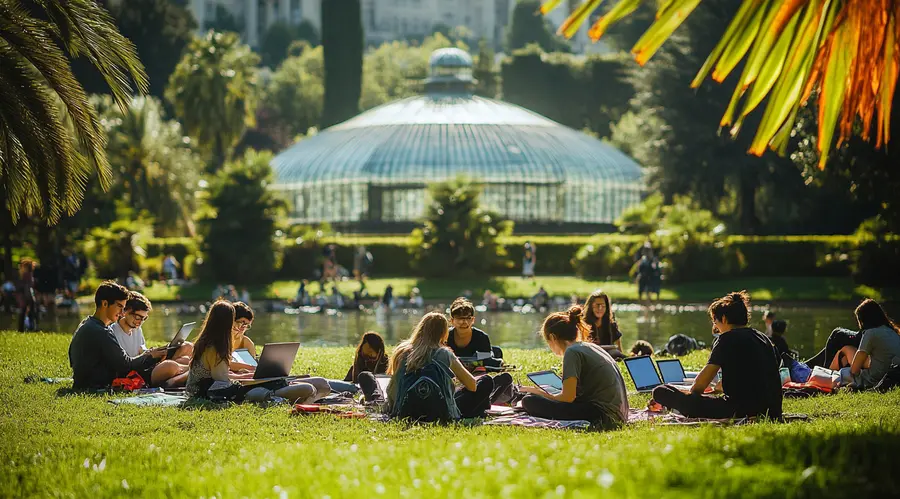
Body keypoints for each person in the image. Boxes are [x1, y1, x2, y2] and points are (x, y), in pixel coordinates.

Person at [652, 291, 782, 419]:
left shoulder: (726, 339)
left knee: (660, 391)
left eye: (715, 321)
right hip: (772, 409)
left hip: (740, 410)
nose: (715, 327)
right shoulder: (763, 338)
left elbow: (699, 386)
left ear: (724, 319)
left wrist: (687, 394)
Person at [186, 300, 329, 403]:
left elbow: (220, 375)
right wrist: (250, 379)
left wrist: (250, 375)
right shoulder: (214, 347)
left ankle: (277, 392)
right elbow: (221, 381)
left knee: (313, 385)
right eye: (233, 320)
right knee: (306, 388)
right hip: (209, 392)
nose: (236, 326)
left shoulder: (210, 342)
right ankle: (276, 395)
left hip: (211, 388)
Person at [518, 306, 629, 426]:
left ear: (553, 337)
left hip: (602, 415)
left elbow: (568, 398)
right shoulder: (588, 346)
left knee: (529, 401)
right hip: (619, 413)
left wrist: (540, 393)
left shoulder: (572, 352)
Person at [385, 312, 494, 420]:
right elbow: (472, 385)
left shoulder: (401, 351)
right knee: (485, 381)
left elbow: (394, 385)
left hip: (403, 409)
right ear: (443, 333)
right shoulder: (444, 354)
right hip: (440, 410)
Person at [68, 281, 165, 390]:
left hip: (84, 382)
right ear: (105, 304)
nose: (122, 313)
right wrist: (151, 356)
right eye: (119, 306)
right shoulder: (101, 332)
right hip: (93, 385)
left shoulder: (87, 323)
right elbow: (126, 365)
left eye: (123, 308)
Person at [111, 292, 191, 387]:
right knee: (170, 366)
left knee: (186, 348)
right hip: (136, 374)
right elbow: (125, 364)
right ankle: (195, 370)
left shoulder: (137, 329)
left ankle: (184, 373)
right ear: (125, 311)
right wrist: (148, 356)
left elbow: (141, 348)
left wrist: (155, 352)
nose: (140, 322)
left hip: (147, 365)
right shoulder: (113, 332)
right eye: (138, 317)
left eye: (144, 318)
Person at [835, 299, 900, 389]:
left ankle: (822, 373)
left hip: (872, 380)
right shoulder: (892, 332)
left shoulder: (871, 333)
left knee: (842, 369)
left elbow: (854, 370)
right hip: (889, 377)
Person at [329, 331, 389, 401]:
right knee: (326, 384)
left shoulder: (387, 365)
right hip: (356, 387)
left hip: (363, 389)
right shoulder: (358, 363)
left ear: (380, 353)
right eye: (365, 355)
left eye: (371, 356)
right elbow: (347, 383)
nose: (367, 360)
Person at [582, 290, 625, 359]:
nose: (600, 308)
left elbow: (619, 349)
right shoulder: (583, 324)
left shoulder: (611, 325)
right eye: (597, 305)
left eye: (603, 306)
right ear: (591, 306)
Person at [229, 301, 257, 371]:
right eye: (242, 322)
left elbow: (253, 365)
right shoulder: (220, 339)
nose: (243, 327)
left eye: (246, 325)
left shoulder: (246, 342)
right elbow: (223, 364)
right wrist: (250, 367)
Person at [16, 258, 38, 332]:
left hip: (25, 296)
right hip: (27, 296)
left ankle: (23, 329)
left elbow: (27, 287)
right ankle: (30, 328)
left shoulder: (25, 275)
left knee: (23, 312)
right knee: (29, 312)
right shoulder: (28, 275)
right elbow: (29, 287)